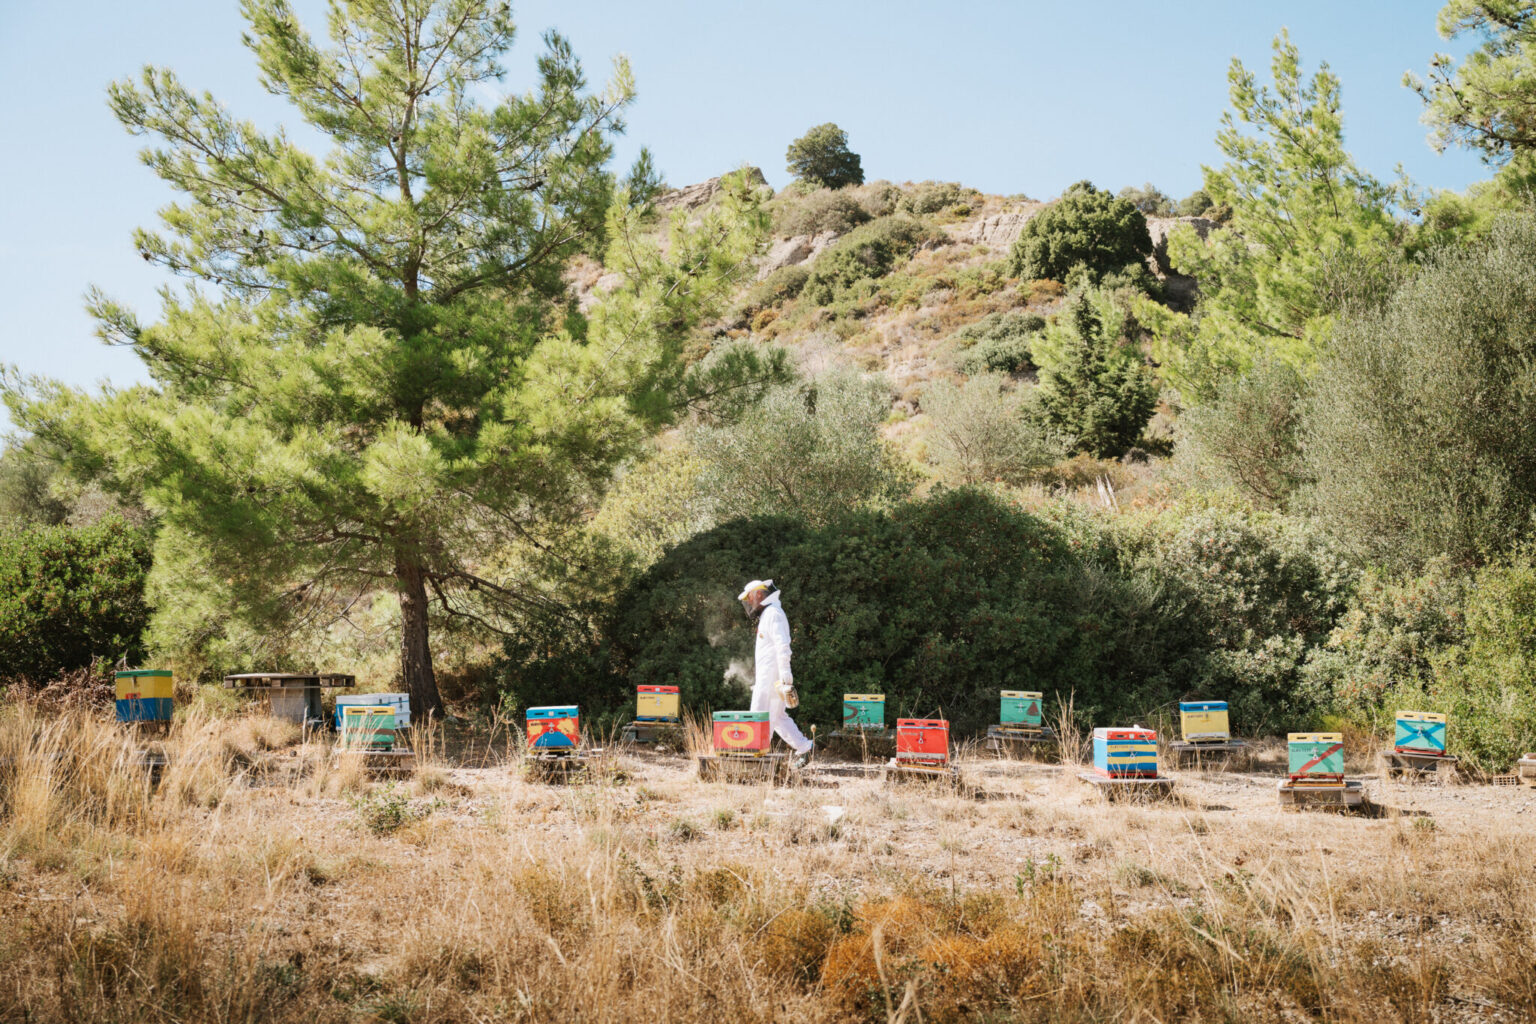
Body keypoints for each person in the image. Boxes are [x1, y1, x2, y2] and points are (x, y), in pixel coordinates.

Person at [737, 579, 814, 768]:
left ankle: (754, 758)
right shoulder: (769, 615)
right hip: (769, 678)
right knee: (777, 717)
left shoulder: (774, 614)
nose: (750, 604)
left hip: (772, 679)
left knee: (758, 715)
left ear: (759, 595)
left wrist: (785, 675)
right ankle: (806, 748)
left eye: (750, 599)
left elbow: (783, 646)